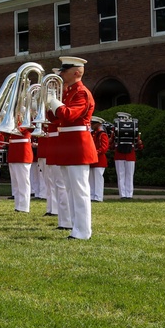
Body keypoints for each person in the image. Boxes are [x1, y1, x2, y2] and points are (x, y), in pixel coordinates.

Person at [47, 56, 96, 240]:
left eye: (64, 70)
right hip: (67, 143)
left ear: (76, 72)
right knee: (69, 189)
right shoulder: (67, 93)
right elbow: (55, 120)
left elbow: (68, 115)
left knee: (79, 190)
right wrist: (46, 103)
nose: (61, 74)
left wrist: (53, 101)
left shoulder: (82, 93)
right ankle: (76, 228)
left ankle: (83, 231)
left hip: (77, 144)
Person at [113, 112, 142, 199]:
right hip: (121, 154)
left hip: (129, 154)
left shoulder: (132, 129)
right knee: (122, 175)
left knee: (128, 175)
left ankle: (128, 194)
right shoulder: (116, 130)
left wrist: (139, 143)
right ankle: (123, 195)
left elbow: (138, 144)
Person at [7, 125, 34, 212]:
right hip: (13, 152)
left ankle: (24, 206)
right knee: (15, 183)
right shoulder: (13, 119)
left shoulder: (26, 118)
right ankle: (18, 205)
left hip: (23, 152)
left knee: (23, 182)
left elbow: (28, 128)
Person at [90, 117, 109, 202]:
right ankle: (92, 196)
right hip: (92, 160)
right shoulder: (92, 133)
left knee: (98, 179)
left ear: (98, 124)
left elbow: (104, 148)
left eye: (93, 124)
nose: (91, 125)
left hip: (99, 160)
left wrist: (95, 152)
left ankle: (98, 197)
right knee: (91, 180)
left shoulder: (102, 134)